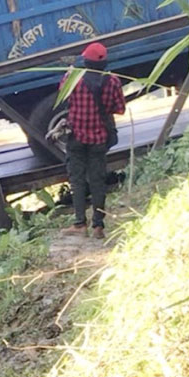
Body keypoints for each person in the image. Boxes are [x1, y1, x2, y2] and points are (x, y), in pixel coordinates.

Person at [61, 42, 125, 239]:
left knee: (77, 181)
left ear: (85, 60)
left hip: (76, 137)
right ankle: (99, 226)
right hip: (99, 138)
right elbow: (119, 108)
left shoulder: (72, 78)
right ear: (104, 62)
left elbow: (64, 98)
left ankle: (80, 223)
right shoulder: (112, 81)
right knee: (98, 181)